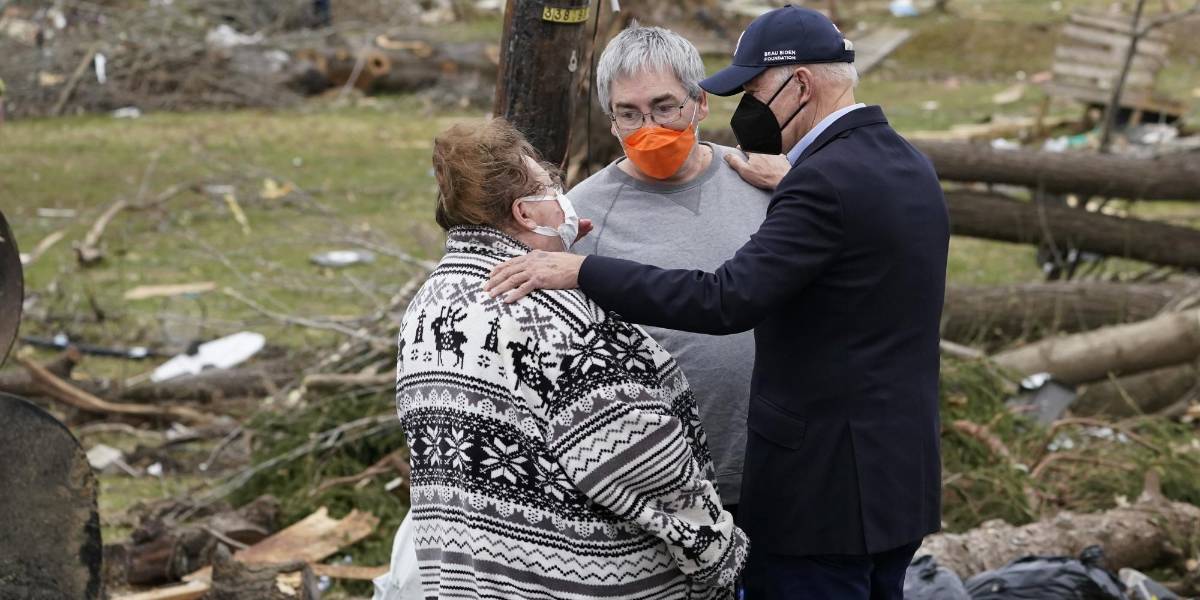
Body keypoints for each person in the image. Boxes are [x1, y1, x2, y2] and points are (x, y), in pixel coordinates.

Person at [484, 6, 950, 600]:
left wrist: (584, 270)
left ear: (798, 85)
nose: (747, 108)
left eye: (753, 90)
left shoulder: (806, 183)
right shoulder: (904, 164)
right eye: (628, 113)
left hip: (814, 494)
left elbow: (725, 300)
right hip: (886, 485)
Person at [395, 117, 747, 600]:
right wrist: (720, 556)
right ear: (525, 212)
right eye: (550, 185)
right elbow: (643, 462)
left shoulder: (428, 305)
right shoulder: (557, 319)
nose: (562, 196)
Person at [569, 24, 772, 515]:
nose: (650, 127)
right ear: (611, 120)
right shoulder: (583, 215)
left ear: (700, 103)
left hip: (776, 469)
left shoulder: (760, 179)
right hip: (658, 492)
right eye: (628, 113)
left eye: (664, 107)